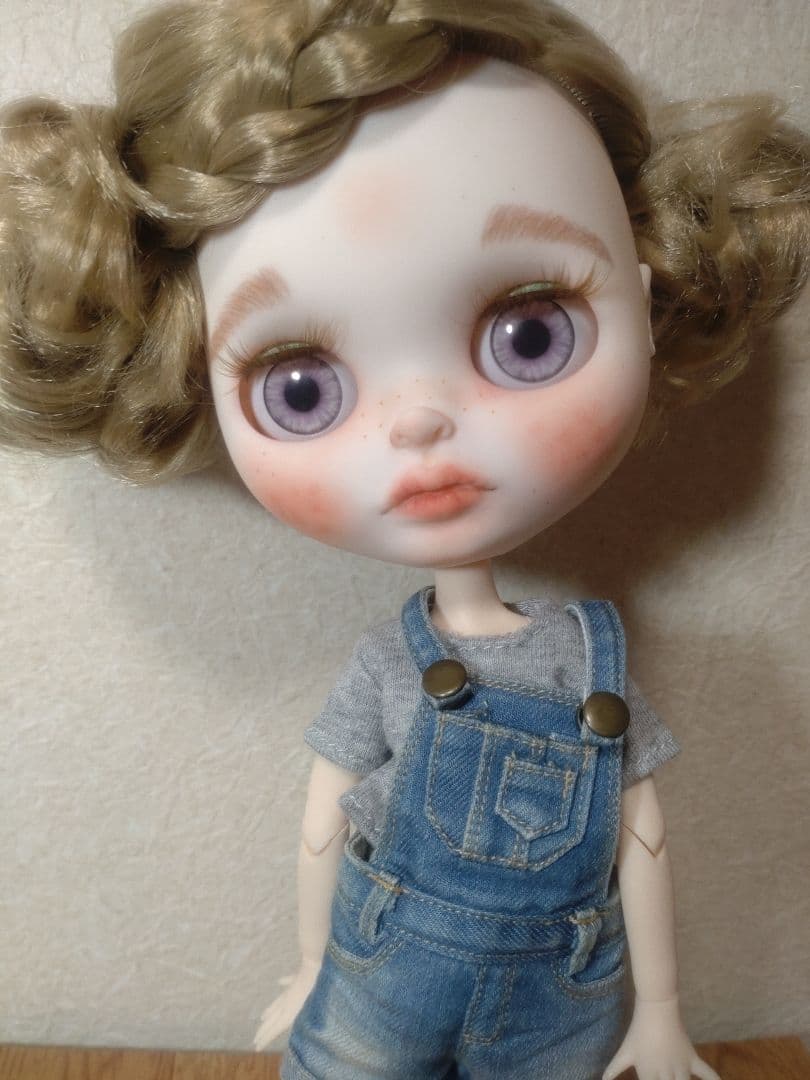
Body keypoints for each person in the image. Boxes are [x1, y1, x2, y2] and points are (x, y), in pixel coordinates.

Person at [1, 2, 807, 1077]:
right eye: (300, 386)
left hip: (563, 992)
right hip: (383, 972)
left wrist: (661, 1012)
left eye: (530, 332)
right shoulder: (395, 663)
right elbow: (326, 817)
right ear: (192, 377)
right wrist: (309, 966)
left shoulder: (591, 665)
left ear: (649, 301)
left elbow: (642, 835)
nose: (421, 423)